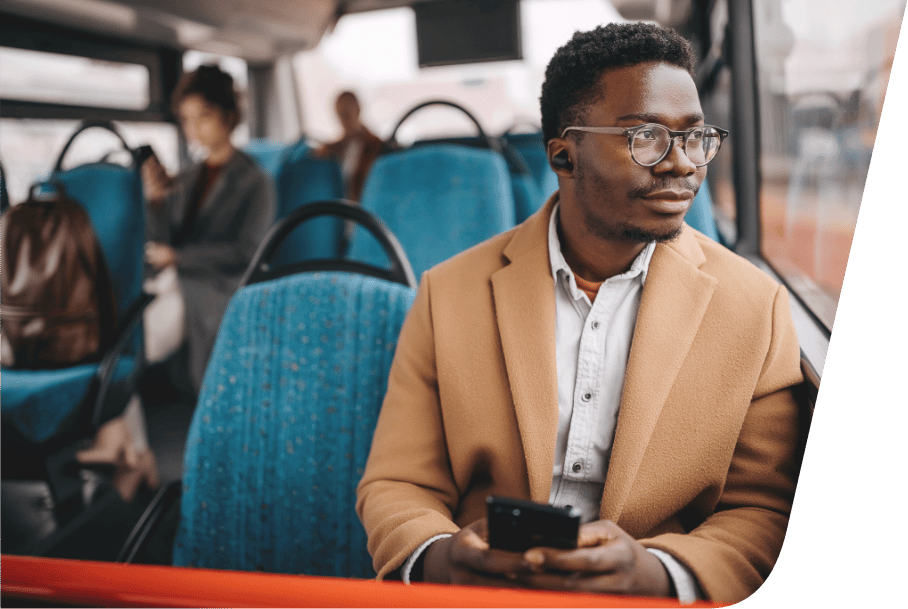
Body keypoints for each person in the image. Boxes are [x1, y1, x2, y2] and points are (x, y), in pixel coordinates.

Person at [356, 23, 804, 604]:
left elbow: (763, 507)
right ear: (564, 155)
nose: (680, 165)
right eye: (645, 137)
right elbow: (398, 482)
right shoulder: (448, 294)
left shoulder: (756, 307)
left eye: (695, 138)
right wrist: (444, 558)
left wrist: (659, 572)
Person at [142, 64, 276, 394]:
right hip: (180, 278)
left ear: (229, 116)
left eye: (203, 117)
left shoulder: (256, 181)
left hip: (222, 284)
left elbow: (247, 252)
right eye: (186, 120)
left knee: (143, 336)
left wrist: (177, 258)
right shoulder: (185, 178)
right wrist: (155, 204)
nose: (194, 129)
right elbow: (164, 239)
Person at [314, 90, 384, 202]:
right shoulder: (334, 149)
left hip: (366, 208)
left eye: (347, 113)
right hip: (341, 209)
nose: (343, 119)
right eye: (340, 114)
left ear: (358, 110)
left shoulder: (378, 146)